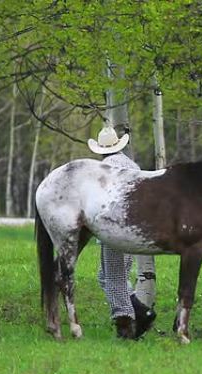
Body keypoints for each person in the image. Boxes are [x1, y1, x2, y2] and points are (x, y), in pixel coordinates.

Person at [88, 125, 157, 339]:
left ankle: (126, 321)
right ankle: (139, 310)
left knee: (113, 277)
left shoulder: (103, 169)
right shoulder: (132, 165)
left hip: (113, 228)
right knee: (105, 276)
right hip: (133, 228)